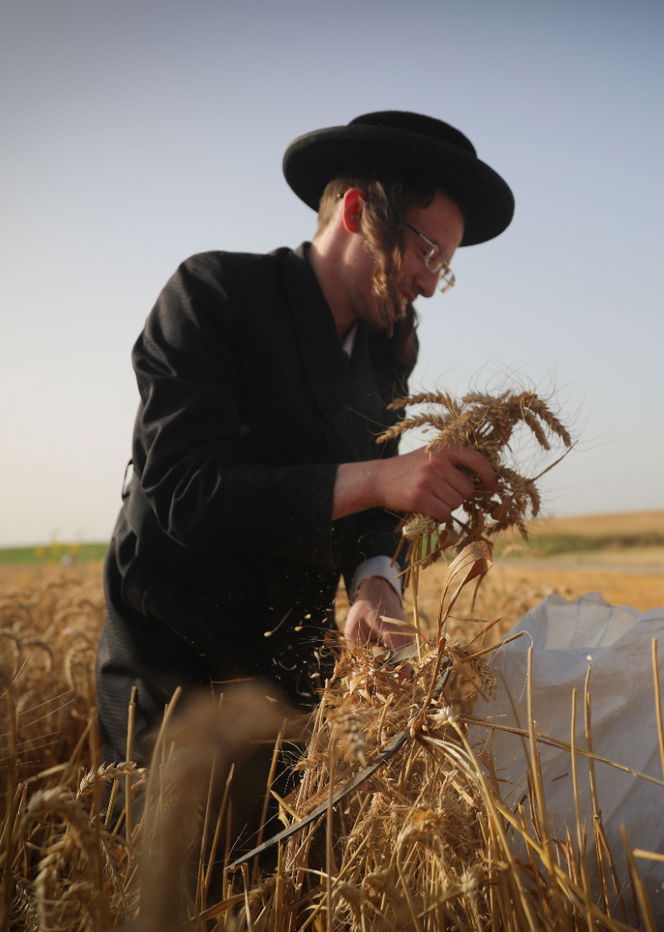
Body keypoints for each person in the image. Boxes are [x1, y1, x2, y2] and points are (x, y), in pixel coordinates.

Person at [96, 111, 513, 782]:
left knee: (282, 866)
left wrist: (376, 578)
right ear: (355, 212)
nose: (433, 282)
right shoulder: (211, 294)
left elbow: (375, 504)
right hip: (172, 649)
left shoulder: (388, 348)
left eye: (447, 266)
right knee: (174, 869)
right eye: (427, 252)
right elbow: (185, 492)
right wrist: (381, 480)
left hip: (292, 649)